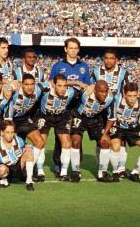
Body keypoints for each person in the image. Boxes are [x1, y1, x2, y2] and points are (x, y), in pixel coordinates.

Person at [49, 37, 91, 176]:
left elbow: (87, 86)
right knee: (60, 136)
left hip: (78, 107)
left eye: (75, 48)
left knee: (77, 135)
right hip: (62, 106)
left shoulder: (84, 66)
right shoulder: (57, 66)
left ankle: (75, 165)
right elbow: (52, 83)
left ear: (78, 50)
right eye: (70, 48)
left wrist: (78, 85)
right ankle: (58, 164)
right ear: (65, 49)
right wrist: (76, 83)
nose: (73, 50)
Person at [104, 83, 140, 183]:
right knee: (115, 147)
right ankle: (115, 172)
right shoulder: (116, 98)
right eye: (129, 96)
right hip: (117, 126)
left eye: (135, 96)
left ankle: (135, 172)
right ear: (124, 94)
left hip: (133, 128)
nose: (132, 99)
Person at [92, 49, 131, 178]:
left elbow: (128, 91)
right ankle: (100, 165)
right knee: (101, 140)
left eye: (111, 58)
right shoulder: (97, 72)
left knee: (121, 140)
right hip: (100, 111)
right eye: (106, 58)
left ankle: (121, 168)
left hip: (117, 111)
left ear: (116, 60)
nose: (108, 60)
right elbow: (91, 89)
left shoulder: (123, 73)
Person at [35, 74, 78, 181]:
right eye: (59, 85)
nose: (63, 89)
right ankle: (40, 172)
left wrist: (82, 84)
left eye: (65, 85)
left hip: (61, 117)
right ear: (53, 84)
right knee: (41, 142)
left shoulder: (72, 91)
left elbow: (85, 92)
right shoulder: (44, 88)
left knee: (67, 143)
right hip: (45, 116)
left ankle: (63, 173)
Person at [70, 81, 114, 182]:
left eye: (106, 91)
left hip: (95, 119)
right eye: (101, 92)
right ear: (95, 91)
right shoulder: (84, 94)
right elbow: (69, 90)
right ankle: (75, 171)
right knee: (76, 141)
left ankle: (102, 173)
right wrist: (78, 83)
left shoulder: (110, 99)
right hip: (79, 117)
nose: (104, 94)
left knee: (105, 142)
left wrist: (105, 134)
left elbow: (111, 118)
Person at [5, 73, 44, 181]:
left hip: (22, 119)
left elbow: (52, 83)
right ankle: (5, 171)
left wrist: (80, 84)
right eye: (26, 84)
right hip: (7, 119)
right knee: (9, 145)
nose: (29, 87)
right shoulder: (15, 90)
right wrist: (7, 85)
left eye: (32, 84)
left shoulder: (39, 89)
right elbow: (3, 86)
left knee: (39, 142)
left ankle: (26, 169)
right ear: (21, 85)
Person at [0, 120, 35, 191]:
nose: (10, 135)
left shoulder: (19, 140)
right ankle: (3, 179)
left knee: (29, 152)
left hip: (19, 167)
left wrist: (28, 147)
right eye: (7, 132)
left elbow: (28, 147)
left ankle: (29, 181)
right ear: (2, 133)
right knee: (1, 169)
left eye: (12, 132)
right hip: (6, 170)